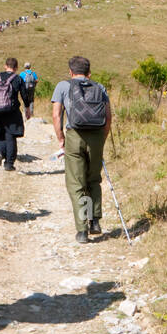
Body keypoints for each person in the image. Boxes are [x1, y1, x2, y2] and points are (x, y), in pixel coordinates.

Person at [51, 56, 112, 243]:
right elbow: (108, 118)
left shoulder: (63, 86)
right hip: (96, 137)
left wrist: (61, 138)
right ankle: (95, 221)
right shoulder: (99, 88)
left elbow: (56, 115)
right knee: (93, 179)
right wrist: (102, 139)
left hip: (74, 136)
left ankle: (82, 230)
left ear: (70, 72)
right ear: (88, 73)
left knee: (76, 183)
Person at [0, 58, 25, 170]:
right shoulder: (17, 78)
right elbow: (24, 94)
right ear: (16, 67)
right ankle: (9, 163)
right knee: (10, 135)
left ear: (5, 66)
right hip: (11, 111)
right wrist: (27, 107)